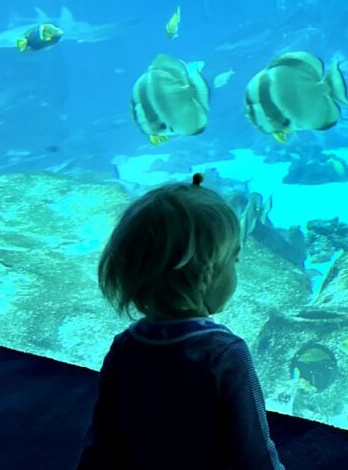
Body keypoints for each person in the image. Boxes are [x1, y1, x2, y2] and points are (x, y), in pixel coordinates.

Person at [76, 173, 284, 470]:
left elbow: (102, 442)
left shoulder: (125, 346)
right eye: (234, 260)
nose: (236, 269)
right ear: (205, 272)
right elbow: (254, 455)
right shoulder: (225, 353)